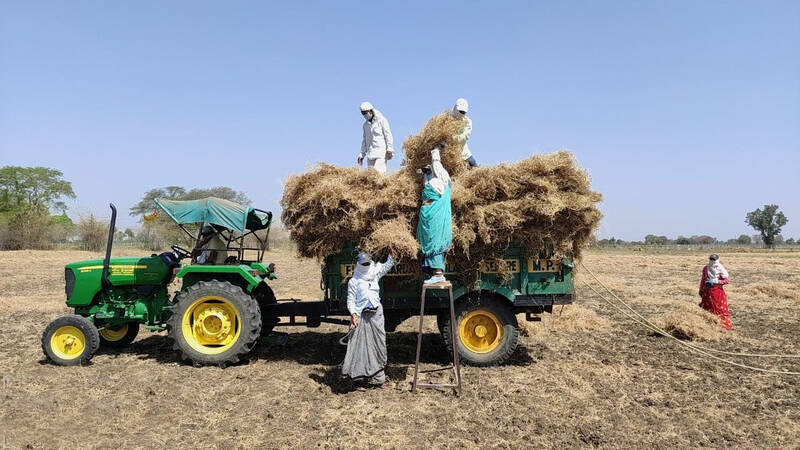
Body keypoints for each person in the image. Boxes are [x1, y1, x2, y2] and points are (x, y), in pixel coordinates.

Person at [342, 251, 395, 388]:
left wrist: (392, 255)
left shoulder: (375, 274)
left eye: (367, 263)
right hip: (360, 318)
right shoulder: (354, 281)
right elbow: (351, 301)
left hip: (376, 316)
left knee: (378, 346)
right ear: (358, 265)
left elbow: (387, 266)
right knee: (359, 348)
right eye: (363, 264)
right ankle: (358, 380)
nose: (366, 266)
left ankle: (378, 379)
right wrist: (353, 314)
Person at [416, 147, 452, 284]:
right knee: (429, 241)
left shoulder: (442, 180)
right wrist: (425, 173)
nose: (430, 171)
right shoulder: (430, 182)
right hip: (427, 217)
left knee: (435, 242)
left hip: (435, 215)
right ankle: (433, 272)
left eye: (431, 169)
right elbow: (426, 181)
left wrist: (434, 151)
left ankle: (438, 274)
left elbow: (436, 164)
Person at [357, 101, 394, 174]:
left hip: (381, 153)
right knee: (370, 177)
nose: (364, 115)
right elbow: (364, 141)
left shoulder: (382, 120)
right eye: (362, 113)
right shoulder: (365, 125)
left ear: (371, 111)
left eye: (365, 113)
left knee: (378, 174)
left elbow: (388, 135)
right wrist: (361, 155)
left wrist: (390, 149)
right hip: (370, 155)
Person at [698, 254, 731, 330]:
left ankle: (722, 326)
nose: (712, 262)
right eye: (711, 260)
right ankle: (708, 324)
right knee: (707, 309)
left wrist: (716, 281)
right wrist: (701, 290)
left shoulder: (720, 268)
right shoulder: (706, 268)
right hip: (707, 292)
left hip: (717, 292)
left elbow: (726, 281)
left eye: (714, 260)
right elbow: (703, 280)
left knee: (719, 309)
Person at [452, 98, 477, 168]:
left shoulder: (467, 122)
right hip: (449, 156)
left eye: (463, 112)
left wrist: (451, 138)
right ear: (456, 108)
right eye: (460, 111)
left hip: (464, 155)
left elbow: (465, 137)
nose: (462, 113)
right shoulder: (447, 120)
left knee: (477, 171)